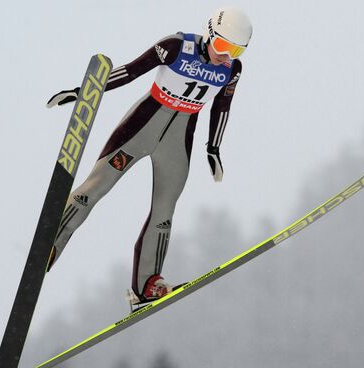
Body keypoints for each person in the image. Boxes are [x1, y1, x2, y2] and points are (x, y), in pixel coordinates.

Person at [45, 7, 253, 304]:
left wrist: (213, 148)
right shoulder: (176, 47)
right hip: (140, 128)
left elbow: (222, 106)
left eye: (236, 50)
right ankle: (50, 245)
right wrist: (84, 92)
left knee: (164, 212)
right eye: (223, 46)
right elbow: (130, 71)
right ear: (209, 34)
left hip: (178, 141)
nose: (226, 56)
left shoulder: (232, 70)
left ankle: (147, 285)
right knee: (94, 188)